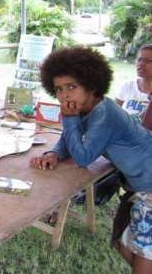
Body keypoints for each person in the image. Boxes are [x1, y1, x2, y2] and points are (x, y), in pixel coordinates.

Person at [30, 46, 152, 274]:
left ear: (92, 85)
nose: (64, 95)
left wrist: (68, 118)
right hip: (140, 187)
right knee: (120, 240)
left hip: (150, 188)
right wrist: (54, 153)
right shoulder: (87, 109)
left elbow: (83, 156)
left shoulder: (104, 114)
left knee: (142, 259)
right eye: (58, 89)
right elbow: (70, 138)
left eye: (71, 87)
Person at [115, 44, 152, 116]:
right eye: (139, 59)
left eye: (147, 61)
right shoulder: (127, 86)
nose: (141, 64)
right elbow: (114, 115)